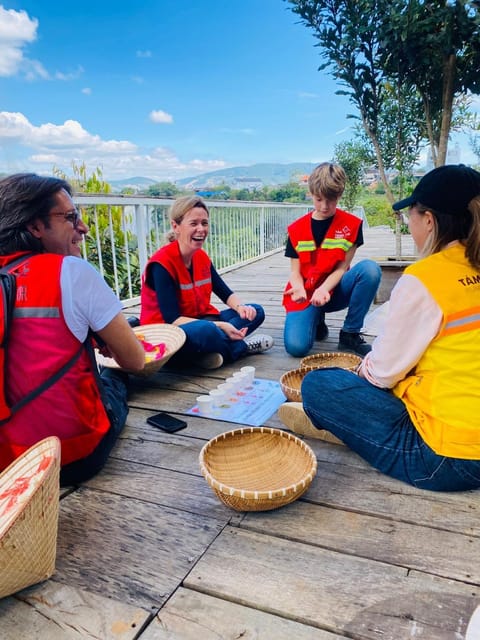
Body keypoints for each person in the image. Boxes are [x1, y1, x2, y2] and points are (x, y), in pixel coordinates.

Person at [279, 164, 480, 492]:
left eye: (410, 216)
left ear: (429, 220)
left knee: (319, 385)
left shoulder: (425, 279)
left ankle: (336, 422)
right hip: (308, 296)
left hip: (447, 457)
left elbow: (381, 375)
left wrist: (359, 374)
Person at [0, 173, 145, 486]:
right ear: (35, 226)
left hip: (8, 465)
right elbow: (136, 360)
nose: (83, 227)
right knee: (116, 376)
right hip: (69, 458)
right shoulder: (71, 271)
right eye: (70, 217)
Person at [140, 195, 273, 369]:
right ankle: (240, 348)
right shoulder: (162, 264)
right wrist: (221, 325)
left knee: (255, 311)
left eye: (204, 223)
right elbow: (172, 319)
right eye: (193, 224)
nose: (201, 229)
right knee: (207, 331)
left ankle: (205, 354)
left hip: (201, 319)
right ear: (176, 226)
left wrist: (241, 308)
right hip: (168, 332)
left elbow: (224, 292)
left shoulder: (200, 257)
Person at [282, 162, 381, 357]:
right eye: (319, 199)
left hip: (334, 290)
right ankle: (316, 319)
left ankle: (350, 333)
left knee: (370, 270)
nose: (325, 206)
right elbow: (295, 272)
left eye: (331, 199)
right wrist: (300, 287)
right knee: (296, 348)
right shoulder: (296, 229)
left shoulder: (352, 225)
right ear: (311, 193)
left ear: (340, 195)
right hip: (305, 293)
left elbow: (342, 268)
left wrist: (324, 289)